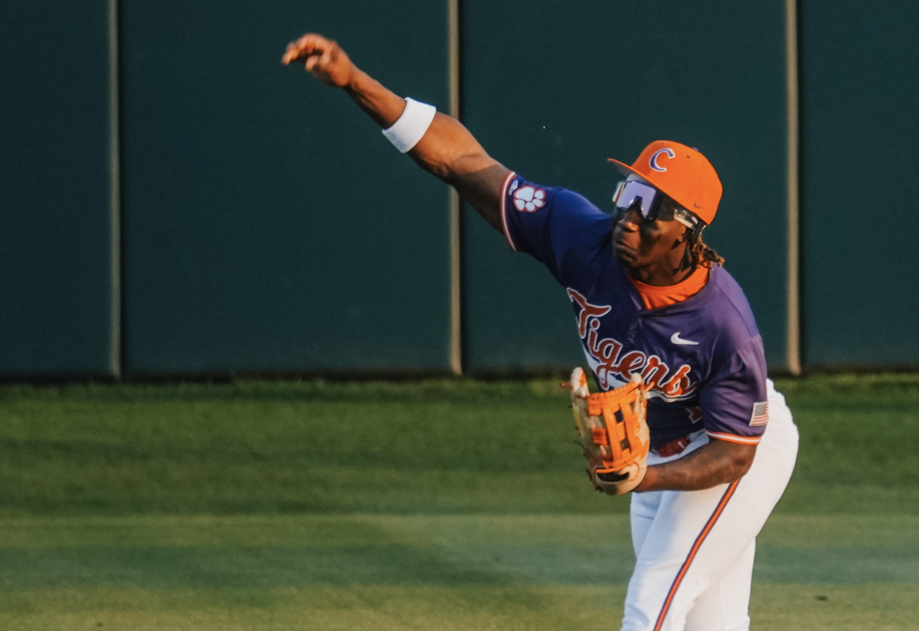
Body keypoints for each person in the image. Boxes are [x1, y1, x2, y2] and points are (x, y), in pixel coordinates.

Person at [283, 33, 799, 631]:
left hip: (731, 451)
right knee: (711, 623)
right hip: (655, 452)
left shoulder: (723, 324)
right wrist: (355, 82)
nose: (628, 216)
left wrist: (645, 477)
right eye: (628, 193)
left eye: (650, 206)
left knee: (653, 597)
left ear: (687, 230)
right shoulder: (581, 237)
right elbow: (464, 163)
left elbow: (735, 453)